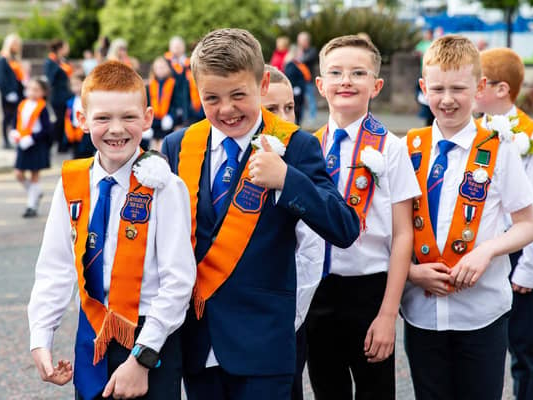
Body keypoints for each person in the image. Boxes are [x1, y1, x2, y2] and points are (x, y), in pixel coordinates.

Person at [161, 28, 360, 399]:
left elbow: (344, 227)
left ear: (263, 83)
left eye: (239, 94)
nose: (226, 109)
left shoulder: (295, 145)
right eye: (212, 98)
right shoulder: (177, 146)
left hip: (263, 347)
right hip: (197, 342)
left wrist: (287, 179)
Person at [27, 60, 196, 400]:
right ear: (81, 119)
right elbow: (56, 267)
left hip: (150, 337)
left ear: (147, 118)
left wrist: (142, 359)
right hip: (93, 332)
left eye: (129, 117)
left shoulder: (165, 186)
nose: (116, 129)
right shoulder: (72, 182)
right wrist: (40, 338)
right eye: (103, 118)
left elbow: (178, 280)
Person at [401, 35, 533, 400]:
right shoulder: (406, 149)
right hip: (421, 312)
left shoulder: (500, 149)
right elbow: (393, 232)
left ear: (479, 88)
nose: (447, 99)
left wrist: (487, 251)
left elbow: (528, 225)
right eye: (438, 88)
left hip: (481, 313)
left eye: (459, 89)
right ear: (423, 87)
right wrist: (411, 273)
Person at [306, 35, 420, 400]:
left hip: (369, 291)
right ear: (320, 85)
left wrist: (388, 314)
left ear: (376, 84)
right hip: (317, 291)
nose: (346, 81)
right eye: (335, 73)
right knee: (327, 390)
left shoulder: (392, 147)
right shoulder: (308, 147)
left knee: (376, 391)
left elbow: (403, 235)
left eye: (358, 73)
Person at [474, 47, 533, 400]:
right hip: (484, 249)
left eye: (479, 83)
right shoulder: (473, 130)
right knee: (484, 340)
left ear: (501, 89)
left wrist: (529, 267)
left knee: (523, 347)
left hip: (522, 250)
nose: (472, 90)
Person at [261, 64, 324, 400]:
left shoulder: (300, 156)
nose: (284, 117)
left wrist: (292, 314)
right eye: (272, 109)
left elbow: (312, 250)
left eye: (289, 107)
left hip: (291, 309)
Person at [9, 77, 53, 218]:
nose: (32, 92)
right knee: (18, 173)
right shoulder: (22, 104)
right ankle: (35, 192)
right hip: (23, 142)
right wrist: (14, 132)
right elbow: (16, 121)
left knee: (35, 175)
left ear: (43, 92)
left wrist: (33, 138)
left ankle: (31, 205)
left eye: (36, 90)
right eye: (30, 89)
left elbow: (47, 129)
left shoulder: (43, 107)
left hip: (36, 144)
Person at [145, 56, 183, 149]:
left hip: (167, 123)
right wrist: (145, 123)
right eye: (157, 68)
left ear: (168, 68)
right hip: (153, 123)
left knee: (163, 148)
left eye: (162, 67)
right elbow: (145, 104)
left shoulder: (174, 84)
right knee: (152, 149)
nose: (160, 70)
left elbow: (177, 104)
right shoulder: (149, 85)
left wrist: (171, 116)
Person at [0, 33, 24, 149]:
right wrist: (7, 92)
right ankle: (5, 140)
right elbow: (1, 78)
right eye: (14, 44)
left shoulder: (15, 59)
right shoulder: (3, 58)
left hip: (18, 92)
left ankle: (14, 137)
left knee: (16, 116)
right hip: (8, 93)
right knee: (7, 117)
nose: (16, 46)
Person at [45, 39, 74, 153]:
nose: (68, 49)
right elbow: (50, 79)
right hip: (58, 95)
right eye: (66, 47)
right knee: (59, 121)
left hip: (67, 94)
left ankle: (64, 144)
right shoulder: (51, 62)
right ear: (60, 48)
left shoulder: (64, 61)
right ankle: (54, 143)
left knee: (66, 119)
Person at [64, 72, 95, 159]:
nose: (75, 88)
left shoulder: (89, 99)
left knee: (86, 155)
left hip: (85, 131)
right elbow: (69, 116)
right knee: (75, 155)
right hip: (74, 129)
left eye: (77, 84)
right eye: (73, 85)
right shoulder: (70, 101)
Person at [283, 46, 310, 125]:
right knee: (296, 109)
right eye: (300, 52)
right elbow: (290, 77)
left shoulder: (297, 64)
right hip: (295, 91)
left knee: (299, 109)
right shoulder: (291, 65)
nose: (302, 54)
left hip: (300, 91)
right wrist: (295, 88)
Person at [297, 32, 318, 125]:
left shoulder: (312, 50)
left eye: (301, 40)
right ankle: (299, 119)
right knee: (299, 100)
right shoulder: (298, 51)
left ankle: (312, 118)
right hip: (298, 80)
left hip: (308, 80)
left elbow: (303, 60)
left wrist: (299, 55)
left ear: (306, 41)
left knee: (310, 99)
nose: (299, 42)